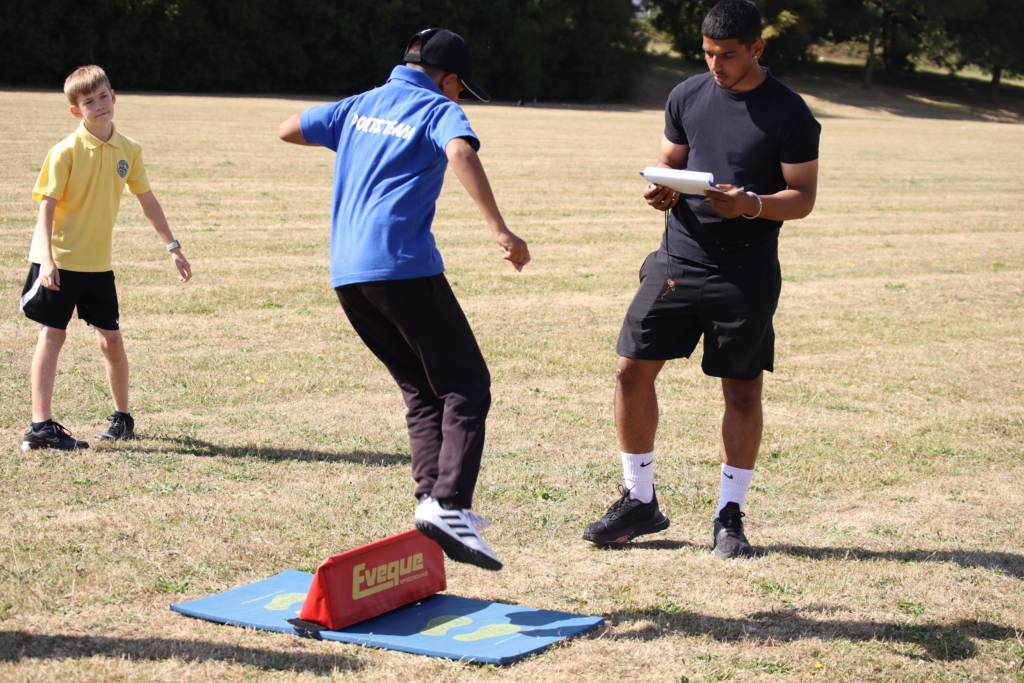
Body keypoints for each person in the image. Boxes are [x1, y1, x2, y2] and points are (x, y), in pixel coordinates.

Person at [278, 28, 530, 571]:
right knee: (466, 384)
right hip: (402, 265)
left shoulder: (362, 104)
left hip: (348, 273)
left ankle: (428, 501)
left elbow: (289, 128)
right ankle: (450, 504)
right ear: (451, 79)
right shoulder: (436, 106)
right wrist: (500, 229)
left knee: (421, 386)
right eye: (461, 90)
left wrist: (361, 136)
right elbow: (460, 148)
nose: (458, 99)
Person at [583, 0, 820, 558]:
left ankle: (729, 515)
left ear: (758, 49)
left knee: (741, 390)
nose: (716, 65)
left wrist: (754, 204)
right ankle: (640, 501)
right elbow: (670, 162)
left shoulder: (790, 113)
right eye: (709, 53)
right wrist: (660, 190)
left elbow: (803, 198)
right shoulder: (686, 94)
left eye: (729, 56)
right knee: (629, 370)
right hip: (676, 259)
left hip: (744, 272)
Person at [20, 65, 192, 452]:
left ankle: (122, 418)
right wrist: (46, 260)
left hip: (97, 265)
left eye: (103, 97)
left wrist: (173, 247)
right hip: (60, 259)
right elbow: (45, 208)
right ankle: (40, 427)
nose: (98, 106)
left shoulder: (128, 149)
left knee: (111, 340)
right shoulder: (64, 151)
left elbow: (146, 199)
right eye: (88, 102)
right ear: (76, 111)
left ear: (114, 97)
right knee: (53, 335)